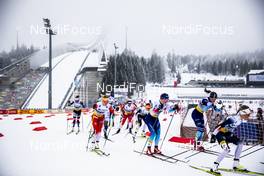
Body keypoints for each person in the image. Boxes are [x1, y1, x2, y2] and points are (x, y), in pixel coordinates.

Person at [210, 105, 252, 174]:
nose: (248, 116)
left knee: (240, 143)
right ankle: (214, 166)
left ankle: (236, 164)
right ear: (242, 113)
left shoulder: (240, 120)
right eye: (247, 114)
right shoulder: (233, 118)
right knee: (227, 150)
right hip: (220, 134)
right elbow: (219, 126)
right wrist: (213, 136)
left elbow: (230, 129)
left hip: (227, 134)